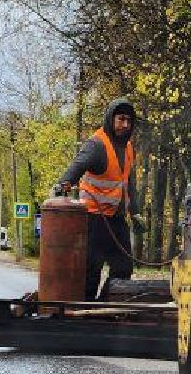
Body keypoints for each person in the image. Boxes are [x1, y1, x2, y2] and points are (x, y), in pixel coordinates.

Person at [54, 99, 138, 300]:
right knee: (92, 270)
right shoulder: (97, 144)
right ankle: (85, 310)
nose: (125, 125)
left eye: (129, 121)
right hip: (94, 219)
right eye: (121, 119)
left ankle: (105, 305)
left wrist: (135, 211)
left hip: (116, 220)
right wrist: (63, 184)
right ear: (111, 119)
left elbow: (128, 182)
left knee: (124, 268)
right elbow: (77, 166)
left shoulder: (128, 148)